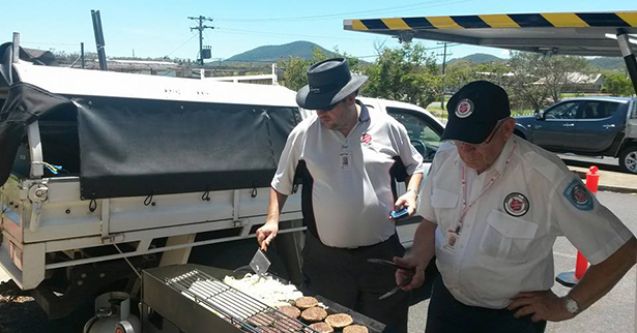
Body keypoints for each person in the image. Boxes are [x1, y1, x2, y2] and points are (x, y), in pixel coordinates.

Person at [394, 80, 636, 333]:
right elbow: (431, 221)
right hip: (447, 304)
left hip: (510, 320)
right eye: (459, 140)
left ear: (507, 128)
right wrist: (418, 260)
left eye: (475, 142)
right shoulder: (446, 156)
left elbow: (622, 250)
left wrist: (567, 306)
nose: (465, 152)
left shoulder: (545, 176)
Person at [256, 58, 425, 333]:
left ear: (351, 97)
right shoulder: (304, 134)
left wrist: (412, 192)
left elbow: (415, 166)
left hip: (383, 256)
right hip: (326, 261)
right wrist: (272, 220)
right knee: (324, 325)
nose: (320, 113)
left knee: (387, 327)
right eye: (315, 105)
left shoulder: (388, 127)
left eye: (328, 105)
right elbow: (279, 182)